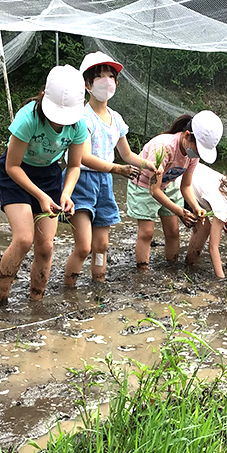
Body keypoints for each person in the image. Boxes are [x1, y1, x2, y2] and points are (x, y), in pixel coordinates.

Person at [62, 52, 160, 287]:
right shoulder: (82, 117)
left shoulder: (115, 118)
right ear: (87, 85)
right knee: (84, 246)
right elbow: (83, 158)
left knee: (102, 246)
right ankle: (69, 288)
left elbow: (127, 154)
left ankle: (98, 286)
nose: (107, 81)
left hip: (104, 185)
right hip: (82, 182)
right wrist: (117, 169)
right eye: (100, 76)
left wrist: (148, 164)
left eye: (111, 76)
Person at [0, 65, 86, 305]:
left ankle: (36, 302)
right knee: (24, 239)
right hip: (17, 173)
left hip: (50, 176)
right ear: (43, 96)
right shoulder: (28, 117)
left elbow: (74, 165)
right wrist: (40, 196)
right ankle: (0, 299)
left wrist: (66, 194)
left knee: (45, 245)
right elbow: (12, 166)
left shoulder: (78, 125)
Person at [129, 111, 223, 271]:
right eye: (198, 149)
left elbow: (185, 186)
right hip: (144, 184)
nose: (198, 154)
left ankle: (171, 268)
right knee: (147, 232)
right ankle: (142, 274)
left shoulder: (193, 154)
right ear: (187, 135)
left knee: (173, 231)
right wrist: (180, 211)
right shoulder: (164, 147)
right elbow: (154, 190)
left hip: (169, 184)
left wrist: (196, 207)